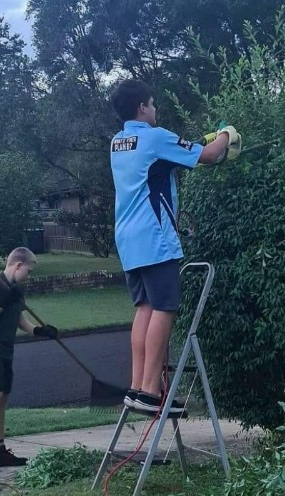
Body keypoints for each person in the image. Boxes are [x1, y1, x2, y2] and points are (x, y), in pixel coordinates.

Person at [109, 79, 241, 413]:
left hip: (128, 239)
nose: (155, 110)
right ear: (142, 107)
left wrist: (197, 144)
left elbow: (171, 159)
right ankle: (153, 392)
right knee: (164, 308)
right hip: (154, 238)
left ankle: (139, 386)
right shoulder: (155, 137)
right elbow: (209, 155)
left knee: (144, 309)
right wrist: (227, 132)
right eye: (152, 104)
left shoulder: (118, 142)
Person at [0, 247, 59, 473]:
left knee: (1, 398)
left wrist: (40, 331)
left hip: (5, 349)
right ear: (17, 265)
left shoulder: (16, 289)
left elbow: (20, 321)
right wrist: (2, 302)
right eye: (29, 270)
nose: (29, 275)